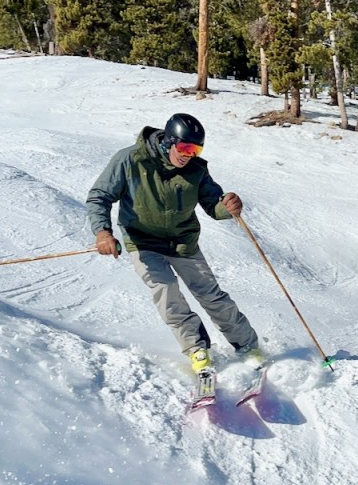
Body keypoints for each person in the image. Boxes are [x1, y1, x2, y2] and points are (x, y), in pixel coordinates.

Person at [86, 113, 262, 377]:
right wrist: (103, 233)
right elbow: (99, 196)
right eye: (185, 148)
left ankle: (248, 346)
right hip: (143, 242)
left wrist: (228, 207)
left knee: (211, 296)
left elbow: (213, 205)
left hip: (183, 242)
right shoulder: (130, 160)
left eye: (196, 150)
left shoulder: (196, 169)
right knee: (168, 295)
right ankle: (197, 349)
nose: (189, 155)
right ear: (168, 141)